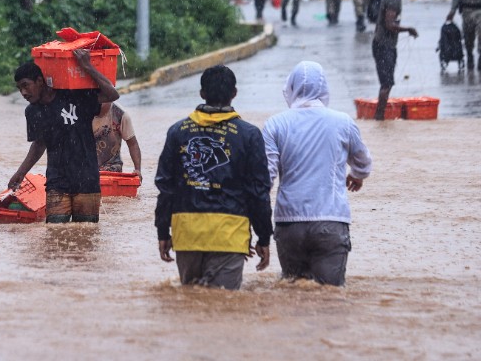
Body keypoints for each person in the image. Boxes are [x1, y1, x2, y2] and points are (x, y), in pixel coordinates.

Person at [154, 65, 272, 290]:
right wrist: (263, 237)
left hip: (187, 235)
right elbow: (258, 192)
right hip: (229, 236)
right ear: (234, 93)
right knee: (222, 311)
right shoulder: (248, 135)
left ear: (202, 94)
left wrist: (163, 231)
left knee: (191, 306)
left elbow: (165, 187)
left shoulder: (178, 132)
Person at [262, 61, 373, 287]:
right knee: (330, 299)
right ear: (324, 90)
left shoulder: (275, 124)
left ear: (291, 88)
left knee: (293, 293)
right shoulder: (343, 122)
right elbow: (363, 161)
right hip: (330, 222)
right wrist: (357, 175)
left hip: (289, 223)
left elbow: (265, 177)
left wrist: (259, 226)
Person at [9, 49, 119, 223]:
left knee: (85, 237)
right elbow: (39, 144)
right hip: (56, 182)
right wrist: (20, 173)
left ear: (40, 81)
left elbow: (112, 94)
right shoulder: (32, 112)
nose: (23, 92)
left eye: (25, 85)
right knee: (54, 235)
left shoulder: (74, 97)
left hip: (87, 180)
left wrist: (87, 66)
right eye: (19, 88)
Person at [372, 0, 418, 120]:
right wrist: (408, 30)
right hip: (384, 46)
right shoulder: (394, 1)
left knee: (387, 83)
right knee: (386, 84)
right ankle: (379, 118)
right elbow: (390, 25)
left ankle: (379, 118)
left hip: (382, 45)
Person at [92, 102, 142, 181]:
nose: (97, 106)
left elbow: (132, 144)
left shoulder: (120, 115)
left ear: (109, 99)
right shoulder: (81, 111)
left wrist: (138, 170)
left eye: (101, 102)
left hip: (111, 167)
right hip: (87, 167)